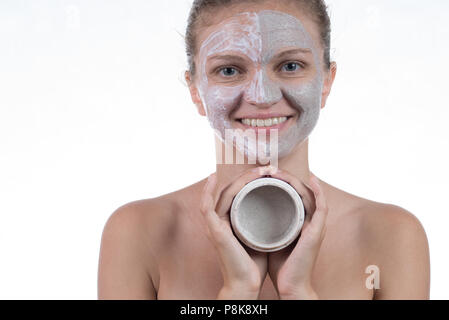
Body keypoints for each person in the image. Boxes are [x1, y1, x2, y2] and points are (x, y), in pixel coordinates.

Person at [97, 0, 430, 300]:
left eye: (290, 66)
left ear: (327, 81)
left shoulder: (392, 236)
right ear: (196, 91)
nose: (262, 95)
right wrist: (238, 293)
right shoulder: (138, 233)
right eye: (229, 70)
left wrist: (297, 292)